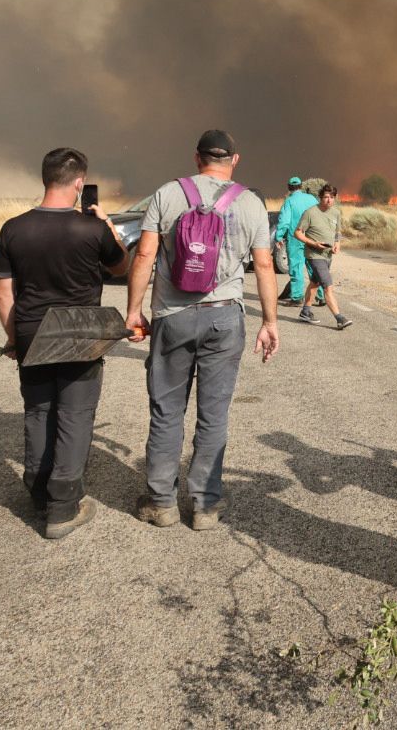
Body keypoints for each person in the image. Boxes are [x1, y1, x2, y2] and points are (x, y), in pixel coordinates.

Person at [125, 129, 280, 531]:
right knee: (214, 415)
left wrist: (133, 311)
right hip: (224, 317)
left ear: (197, 158)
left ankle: (161, 503)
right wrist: (269, 321)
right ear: (235, 159)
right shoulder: (250, 203)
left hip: (173, 317)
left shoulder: (168, 194)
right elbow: (264, 266)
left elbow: (144, 254)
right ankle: (206, 506)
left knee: (166, 411)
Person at [0, 147, 128, 540]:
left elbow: (4, 296)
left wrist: (14, 340)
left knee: (38, 411)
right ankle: (64, 506)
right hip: (79, 333)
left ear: (45, 179)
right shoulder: (91, 229)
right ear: (80, 183)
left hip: (33, 332)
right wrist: (109, 225)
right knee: (75, 414)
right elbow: (121, 264)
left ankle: (37, 491)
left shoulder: (12, 228)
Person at [294, 184, 352, 330]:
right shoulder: (310, 212)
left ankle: (305, 312)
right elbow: (298, 233)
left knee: (315, 283)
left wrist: (337, 243)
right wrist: (313, 243)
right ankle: (339, 318)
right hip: (314, 255)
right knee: (328, 286)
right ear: (320, 197)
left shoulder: (336, 213)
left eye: (332, 197)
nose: (328, 200)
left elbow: (337, 231)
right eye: (326, 197)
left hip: (327, 255)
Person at [273, 176, 319, 306]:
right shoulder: (312, 199)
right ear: (301, 186)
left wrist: (279, 237)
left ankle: (297, 297)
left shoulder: (289, 201)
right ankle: (320, 296)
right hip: (312, 238)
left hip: (295, 239)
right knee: (314, 267)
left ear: (289, 187)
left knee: (296, 268)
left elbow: (285, 221)